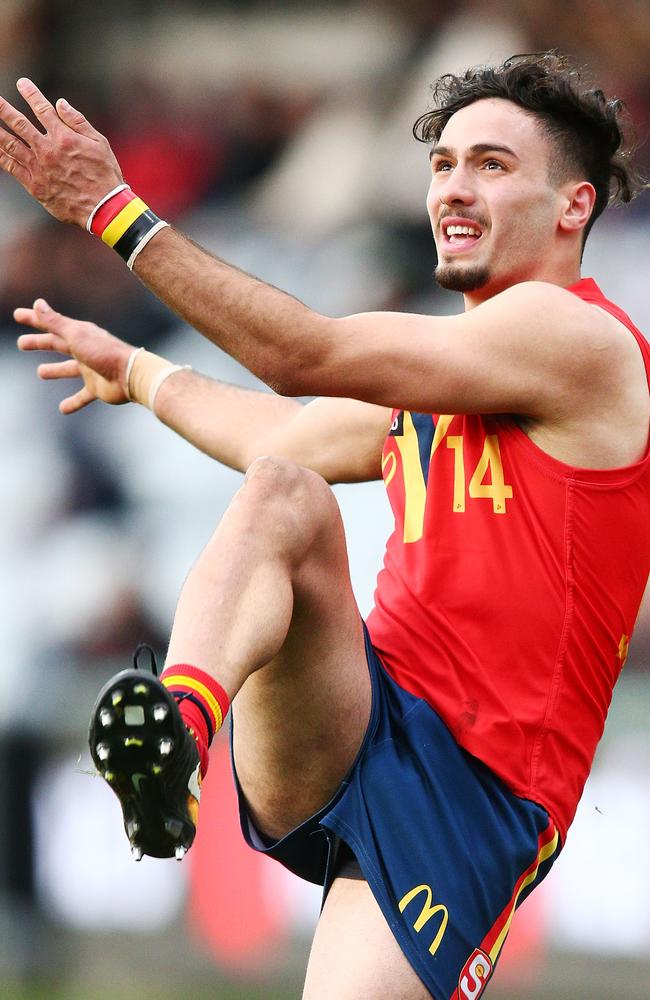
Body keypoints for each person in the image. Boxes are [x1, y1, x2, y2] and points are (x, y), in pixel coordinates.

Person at [2, 52, 648, 999]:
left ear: (574, 207)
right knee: (284, 491)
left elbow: (307, 358)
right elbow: (289, 433)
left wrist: (114, 212)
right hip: (364, 714)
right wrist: (140, 373)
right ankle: (177, 742)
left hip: (476, 797)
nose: (454, 189)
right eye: (442, 166)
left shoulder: (576, 340)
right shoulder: (460, 372)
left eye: (492, 166)